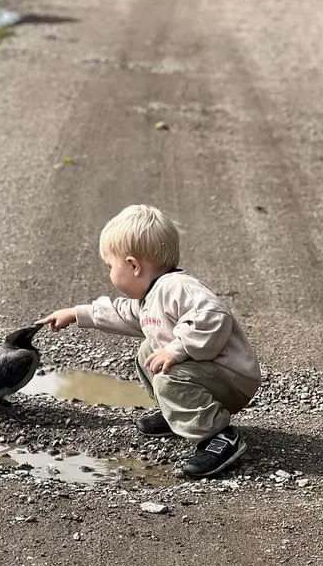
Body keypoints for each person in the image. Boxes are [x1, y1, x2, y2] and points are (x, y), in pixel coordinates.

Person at [39, 205, 261, 479]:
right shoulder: (151, 295)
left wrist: (176, 350)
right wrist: (76, 314)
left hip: (230, 378)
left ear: (133, 265)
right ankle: (178, 414)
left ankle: (219, 436)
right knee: (148, 350)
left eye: (110, 266)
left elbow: (214, 317)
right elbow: (121, 312)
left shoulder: (177, 287)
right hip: (208, 375)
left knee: (169, 372)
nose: (109, 275)